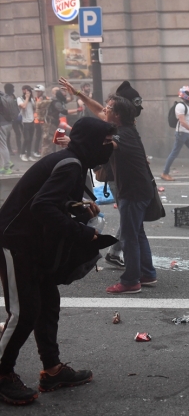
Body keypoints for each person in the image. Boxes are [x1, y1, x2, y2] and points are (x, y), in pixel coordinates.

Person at [0, 116, 116, 406]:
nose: (111, 146)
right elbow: (42, 206)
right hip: (14, 242)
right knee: (24, 310)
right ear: (90, 143)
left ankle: (52, 370)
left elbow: (48, 200)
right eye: (105, 141)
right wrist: (83, 234)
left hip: (32, 244)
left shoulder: (72, 162)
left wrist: (77, 208)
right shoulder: (71, 165)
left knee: (48, 303)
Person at [60, 78, 159, 295]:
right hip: (138, 189)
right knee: (137, 233)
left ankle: (131, 280)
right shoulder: (123, 127)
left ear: (117, 115)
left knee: (130, 236)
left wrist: (72, 143)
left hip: (132, 192)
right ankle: (147, 273)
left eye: (109, 108)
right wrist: (78, 93)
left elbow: (104, 144)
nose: (105, 109)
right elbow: (99, 112)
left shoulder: (121, 135)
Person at [17, 86, 35, 162]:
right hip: (24, 122)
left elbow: (35, 108)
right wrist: (27, 98)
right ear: (24, 91)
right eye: (28, 91)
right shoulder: (19, 99)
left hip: (32, 121)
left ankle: (29, 155)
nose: (29, 92)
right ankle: (22, 154)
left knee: (30, 139)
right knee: (26, 139)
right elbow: (23, 106)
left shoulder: (32, 99)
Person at [3, 84, 21, 157]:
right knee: (8, 135)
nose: (13, 90)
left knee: (18, 133)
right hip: (9, 120)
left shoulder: (13, 96)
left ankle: (19, 148)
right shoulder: (5, 98)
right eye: (12, 88)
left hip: (15, 119)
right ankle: (9, 150)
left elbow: (15, 107)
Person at [31, 85, 47, 160]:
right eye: (36, 91)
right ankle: (35, 150)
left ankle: (41, 149)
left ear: (42, 92)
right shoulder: (35, 99)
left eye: (38, 91)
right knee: (38, 136)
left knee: (44, 136)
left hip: (44, 120)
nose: (37, 93)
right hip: (37, 120)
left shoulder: (46, 98)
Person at [0, 89, 13, 175]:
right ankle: (7, 162)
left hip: (1, 124)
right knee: (3, 145)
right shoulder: (4, 95)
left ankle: (7, 167)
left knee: (2, 146)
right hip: (8, 123)